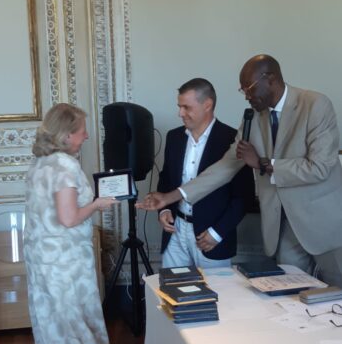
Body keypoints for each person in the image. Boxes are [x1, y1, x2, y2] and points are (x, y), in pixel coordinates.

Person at [138, 54, 342, 286]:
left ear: (270, 78)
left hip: (323, 223)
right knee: (294, 292)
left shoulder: (315, 104)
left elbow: (319, 167)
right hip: (283, 228)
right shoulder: (252, 119)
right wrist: (170, 197)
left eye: (249, 88)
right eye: (242, 90)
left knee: (337, 291)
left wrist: (263, 163)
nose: (246, 95)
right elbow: (225, 168)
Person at [24, 103, 116, 344]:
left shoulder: (40, 163)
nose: (86, 136)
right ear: (66, 135)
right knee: (72, 318)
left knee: (53, 314)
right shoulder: (65, 166)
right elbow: (69, 218)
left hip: (42, 256)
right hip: (65, 259)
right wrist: (98, 204)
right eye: (81, 131)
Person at [158, 78, 254, 269]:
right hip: (175, 232)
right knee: (172, 287)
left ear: (207, 105)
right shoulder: (173, 137)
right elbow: (166, 178)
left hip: (212, 239)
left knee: (215, 289)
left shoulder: (233, 140)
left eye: (186, 107)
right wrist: (164, 210)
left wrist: (217, 233)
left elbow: (244, 197)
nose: (180, 113)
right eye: (179, 107)